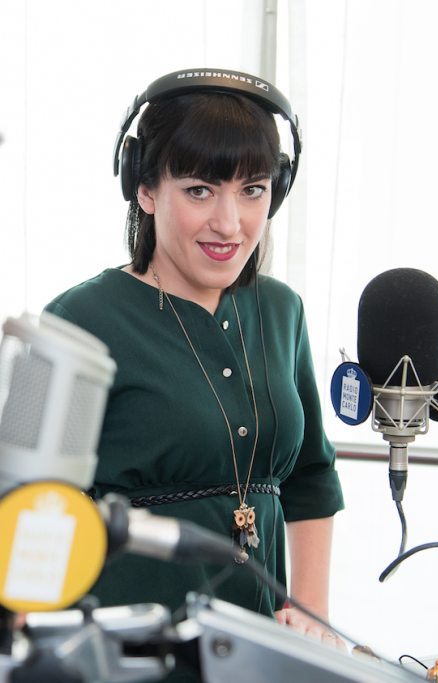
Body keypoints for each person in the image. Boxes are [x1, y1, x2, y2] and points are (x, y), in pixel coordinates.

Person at [45, 69, 345, 680]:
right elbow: (27, 506)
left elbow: (311, 475)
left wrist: (310, 615)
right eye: (200, 190)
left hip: (259, 654)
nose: (230, 223)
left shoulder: (281, 310)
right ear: (145, 189)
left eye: (253, 189)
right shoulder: (78, 323)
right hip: (125, 655)